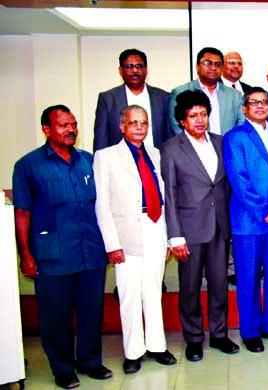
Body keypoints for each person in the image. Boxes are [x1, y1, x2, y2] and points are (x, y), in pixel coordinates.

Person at [13, 105, 113, 389]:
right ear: (46, 129)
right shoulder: (28, 165)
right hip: (52, 254)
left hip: (90, 250)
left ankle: (90, 361)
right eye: (63, 125)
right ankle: (62, 368)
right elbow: (22, 212)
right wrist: (26, 254)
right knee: (55, 315)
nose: (71, 130)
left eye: (73, 125)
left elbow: (103, 206)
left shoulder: (88, 161)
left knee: (91, 310)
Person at [93, 105, 176, 373]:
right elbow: (102, 205)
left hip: (154, 227)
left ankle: (157, 346)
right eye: (133, 122)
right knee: (129, 294)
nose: (139, 127)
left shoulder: (155, 153)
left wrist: (166, 239)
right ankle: (133, 352)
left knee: (153, 291)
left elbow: (164, 200)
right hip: (125, 233)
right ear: (122, 126)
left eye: (143, 122)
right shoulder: (106, 157)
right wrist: (112, 244)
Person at [160, 90, 239, 362]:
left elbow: (226, 185)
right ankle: (193, 338)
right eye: (193, 116)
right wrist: (175, 237)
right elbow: (169, 195)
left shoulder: (220, 142)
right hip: (190, 230)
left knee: (219, 285)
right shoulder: (171, 149)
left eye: (203, 114)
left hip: (219, 227)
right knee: (190, 287)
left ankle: (219, 335)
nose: (199, 120)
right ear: (182, 120)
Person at [223, 87, 268, 352]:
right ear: (245, 108)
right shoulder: (235, 137)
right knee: (248, 277)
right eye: (254, 102)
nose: (261, 106)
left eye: (264, 102)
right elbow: (238, 178)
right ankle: (250, 330)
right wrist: (264, 210)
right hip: (249, 219)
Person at [94, 48, 172, 151]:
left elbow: (170, 137)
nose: (135, 70)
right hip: (120, 163)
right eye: (129, 66)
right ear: (121, 70)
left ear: (146, 70)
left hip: (156, 161)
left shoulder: (163, 98)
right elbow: (101, 141)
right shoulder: (108, 99)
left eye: (139, 66)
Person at [169, 47, 244, 136]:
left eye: (218, 64)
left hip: (226, 147)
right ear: (197, 66)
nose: (213, 67)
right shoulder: (180, 92)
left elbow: (241, 125)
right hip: (192, 148)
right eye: (207, 63)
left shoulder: (235, 95)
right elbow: (177, 126)